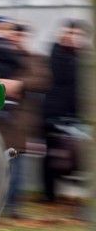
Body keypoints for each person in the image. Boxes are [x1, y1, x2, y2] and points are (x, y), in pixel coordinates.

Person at [0, 22, 51, 219]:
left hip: (21, 122)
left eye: (20, 36)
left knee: (17, 166)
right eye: (13, 34)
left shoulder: (34, 59)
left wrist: (19, 84)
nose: (15, 38)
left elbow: (42, 80)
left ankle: (13, 207)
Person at [43, 19, 90, 203]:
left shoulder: (82, 57)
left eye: (76, 34)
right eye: (69, 33)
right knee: (52, 157)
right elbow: (58, 77)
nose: (72, 37)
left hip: (76, 115)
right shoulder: (56, 54)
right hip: (54, 114)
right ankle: (50, 196)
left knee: (77, 156)